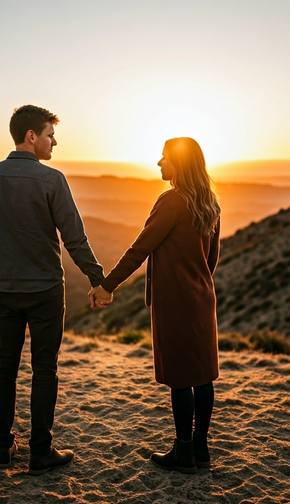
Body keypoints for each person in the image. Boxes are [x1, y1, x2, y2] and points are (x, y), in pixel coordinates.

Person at [0, 105, 105, 474]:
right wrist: (98, 279)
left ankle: (2, 446)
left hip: (4, 290)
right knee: (45, 369)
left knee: (4, 367)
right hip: (44, 290)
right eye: (49, 135)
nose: (54, 142)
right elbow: (74, 238)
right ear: (31, 136)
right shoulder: (52, 180)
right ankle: (40, 452)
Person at [90, 137, 221, 474]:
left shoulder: (172, 201)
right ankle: (201, 448)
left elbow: (139, 248)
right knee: (202, 376)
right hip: (202, 299)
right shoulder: (210, 203)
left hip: (176, 303)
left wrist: (107, 285)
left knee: (180, 377)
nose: (159, 163)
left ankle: (183, 452)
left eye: (165, 158)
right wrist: (196, 282)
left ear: (179, 164)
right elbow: (212, 259)